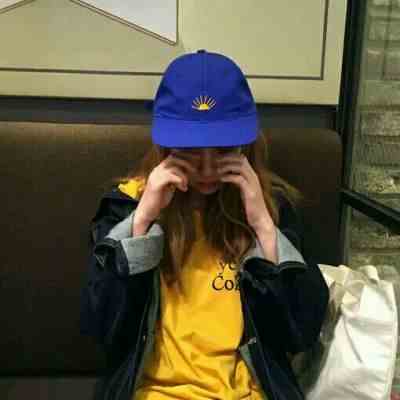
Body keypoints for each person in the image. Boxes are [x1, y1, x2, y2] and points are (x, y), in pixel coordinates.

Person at [79, 49, 329, 400]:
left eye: (224, 149)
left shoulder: (271, 208)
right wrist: (142, 220)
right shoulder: (127, 205)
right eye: (191, 150)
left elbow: (300, 332)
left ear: (245, 145)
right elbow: (102, 327)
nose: (208, 169)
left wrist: (263, 227)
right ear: (166, 146)